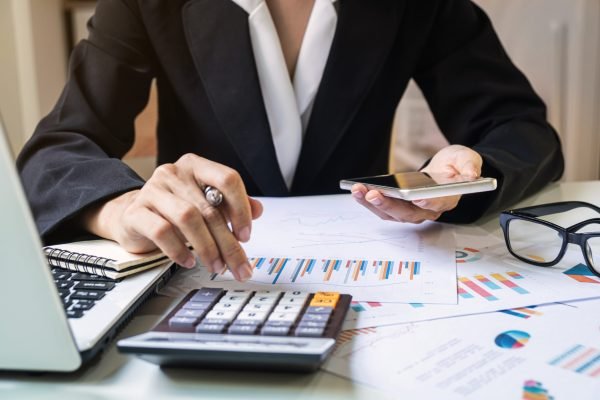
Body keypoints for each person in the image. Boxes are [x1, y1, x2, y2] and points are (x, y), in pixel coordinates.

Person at [17, 0, 563, 282]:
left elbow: (523, 130)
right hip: (201, 280)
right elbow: (54, 153)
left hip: (375, 286)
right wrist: (124, 209)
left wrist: (469, 174)